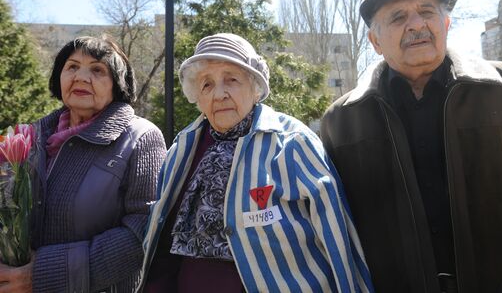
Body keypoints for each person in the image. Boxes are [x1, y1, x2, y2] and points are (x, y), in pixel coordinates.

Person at [320, 0, 502, 293]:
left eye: (427, 11)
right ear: (374, 41)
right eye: (398, 17)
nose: (416, 24)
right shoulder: (342, 121)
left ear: (446, 24)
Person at [137, 33, 373, 292]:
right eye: (206, 84)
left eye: (232, 79)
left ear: (254, 86)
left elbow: (335, 232)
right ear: (198, 96)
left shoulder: (292, 141)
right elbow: (161, 242)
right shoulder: (183, 147)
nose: (219, 94)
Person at [0, 36, 167, 292]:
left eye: (98, 70)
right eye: (72, 67)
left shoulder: (141, 138)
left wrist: (44, 273)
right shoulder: (32, 136)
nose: (81, 77)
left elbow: (144, 230)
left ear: (117, 84)